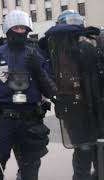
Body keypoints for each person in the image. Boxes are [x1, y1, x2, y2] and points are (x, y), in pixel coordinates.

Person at [0, 10, 56, 180]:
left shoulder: (36, 54)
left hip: (31, 120)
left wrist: (39, 70)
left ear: (28, 29)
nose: (20, 31)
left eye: (23, 28)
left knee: (30, 167)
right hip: (4, 120)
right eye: (16, 28)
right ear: (8, 30)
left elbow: (51, 91)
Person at [45, 10, 104, 180]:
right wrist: (55, 95)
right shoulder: (55, 49)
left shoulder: (94, 43)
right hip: (76, 109)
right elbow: (46, 75)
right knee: (84, 150)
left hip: (98, 107)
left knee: (99, 150)